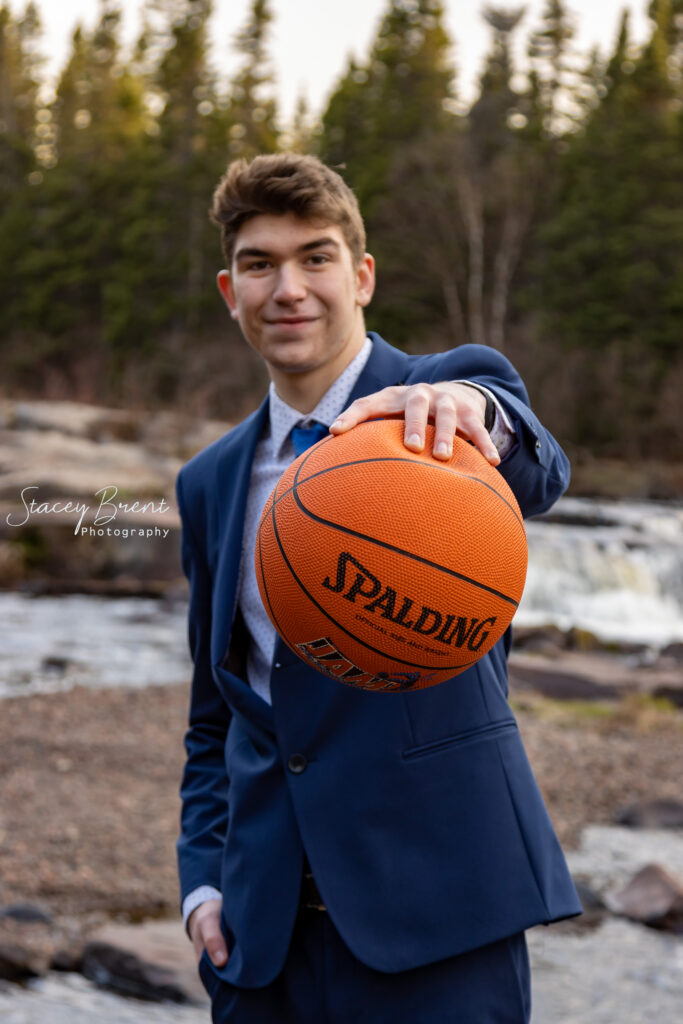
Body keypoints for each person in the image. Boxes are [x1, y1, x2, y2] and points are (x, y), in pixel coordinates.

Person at [175, 153, 581, 1024]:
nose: (288, 288)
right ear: (229, 290)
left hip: (440, 926)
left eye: (314, 257)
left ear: (360, 276)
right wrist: (201, 882)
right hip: (258, 942)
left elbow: (539, 466)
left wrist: (478, 412)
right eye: (259, 264)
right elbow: (215, 712)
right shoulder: (209, 480)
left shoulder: (438, 404)